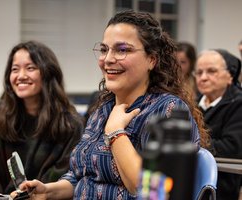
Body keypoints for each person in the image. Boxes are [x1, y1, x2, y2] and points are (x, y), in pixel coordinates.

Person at [13, 10, 209, 199]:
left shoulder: (167, 111)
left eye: (122, 50)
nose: (108, 59)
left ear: (152, 59)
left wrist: (116, 133)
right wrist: (47, 191)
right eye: (105, 49)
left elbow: (151, 191)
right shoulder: (102, 110)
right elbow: (80, 177)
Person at [0, 41, 83, 194]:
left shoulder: (70, 124)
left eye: (30, 68)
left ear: (48, 73)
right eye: (15, 69)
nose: (21, 76)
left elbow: (65, 180)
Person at [194, 49, 242, 200]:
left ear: (230, 76)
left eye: (211, 71)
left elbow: (231, 147)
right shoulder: (192, 103)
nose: (203, 78)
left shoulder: (238, 104)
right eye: (199, 72)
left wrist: (190, 142)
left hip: (221, 187)